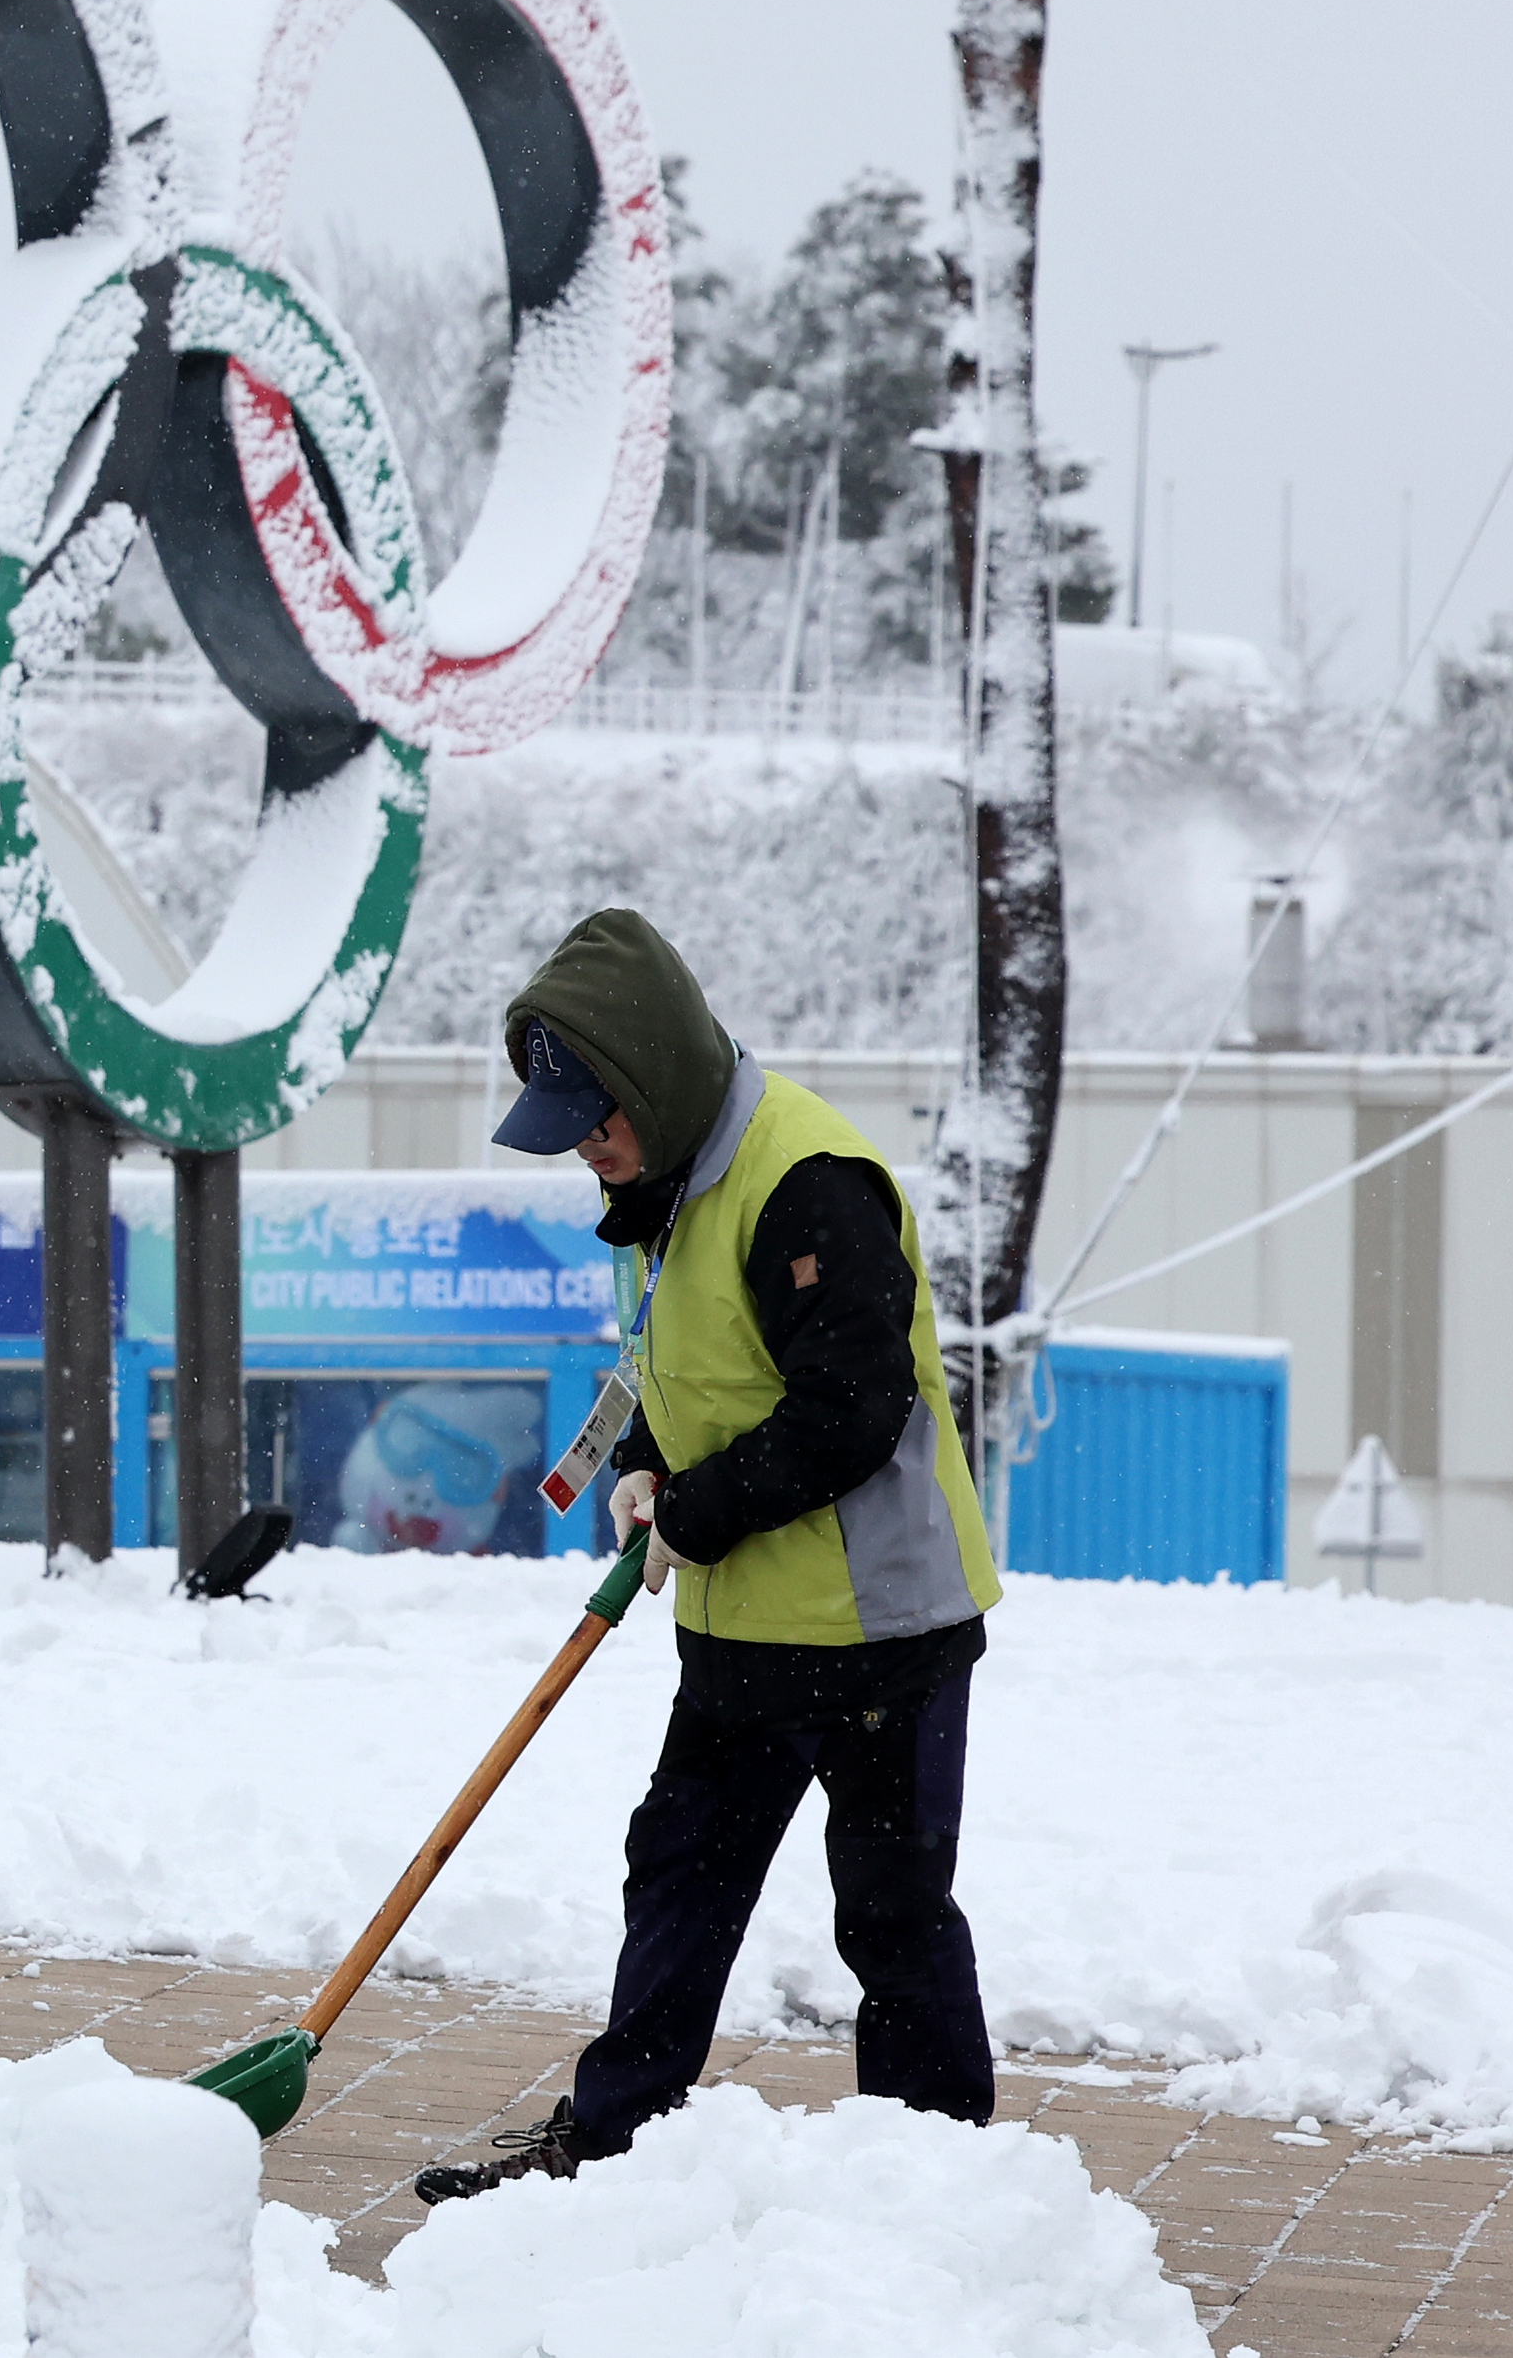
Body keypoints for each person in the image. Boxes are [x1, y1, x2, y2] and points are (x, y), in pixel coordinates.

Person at [414, 908, 1002, 2202]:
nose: (588, 1150)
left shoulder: (809, 1180)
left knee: (891, 1912)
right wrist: (657, 1469)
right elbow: (724, 1373)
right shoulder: (676, 1181)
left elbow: (849, 1410)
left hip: (883, 1632)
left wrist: (700, 1508)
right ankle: (614, 2146)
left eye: (596, 1121)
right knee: (678, 1873)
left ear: (655, 1078)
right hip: (746, 1629)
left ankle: (943, 2186)